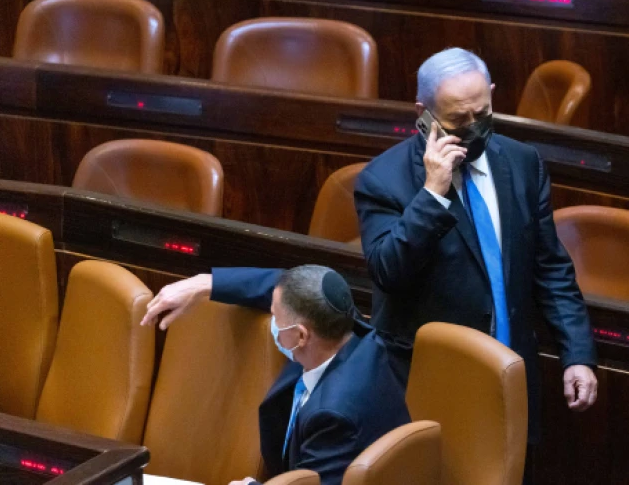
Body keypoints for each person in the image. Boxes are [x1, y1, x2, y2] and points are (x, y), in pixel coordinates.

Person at [143, 48, 598, 448]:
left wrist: (576, 353)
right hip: (426, 387)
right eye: (460, 120)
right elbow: (388, 271)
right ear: (423, 114)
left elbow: (550, 268)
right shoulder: (384, 179)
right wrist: (433, 195)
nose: (476, 128)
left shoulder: (521, 163)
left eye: (484, 113)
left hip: (512, 377)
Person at [142, 265, 410, 485]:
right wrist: (204, 284)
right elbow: (285, 286)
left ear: (301, 335)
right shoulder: (349, 332)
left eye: (274, 316)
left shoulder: (335, 415)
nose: (272, 323)